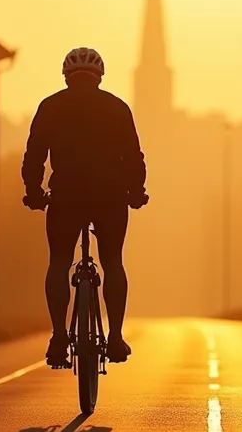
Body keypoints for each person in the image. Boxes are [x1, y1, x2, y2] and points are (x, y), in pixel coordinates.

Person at [21, 47, 149, 368]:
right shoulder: (117, 108)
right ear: (99, 77)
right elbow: (134, 156)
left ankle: (59, 337)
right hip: (110, 198)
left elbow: (34, 156)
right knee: (113, 262)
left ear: (66, 77)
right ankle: (116, 338)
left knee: (59, 263)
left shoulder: (50, 107)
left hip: (66, 197)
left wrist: (34, 192)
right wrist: (136, 191)